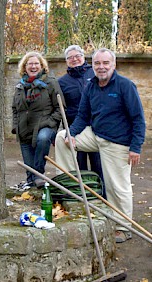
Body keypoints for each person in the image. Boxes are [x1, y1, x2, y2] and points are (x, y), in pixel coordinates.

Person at [55, 48, 146, 243]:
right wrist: (72, 134)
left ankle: (123, 227)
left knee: (117, 187)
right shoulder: (91, 86)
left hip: (118, 143)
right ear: (92, 65)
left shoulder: (125, 86)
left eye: (106, 63)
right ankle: (72, 188)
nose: (101, 67)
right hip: (95, 135)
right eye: (97, 63)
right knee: (61, 138)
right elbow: (82, 116)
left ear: (114, 65)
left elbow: (138, 119)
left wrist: (135, 147)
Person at [11, 51, 63, 190]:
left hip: (45, 125)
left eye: (36, 63)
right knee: (29, 167)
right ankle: (33, 186)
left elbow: (60, 107)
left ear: (42, 66)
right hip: (25, 127)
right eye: (30, 64)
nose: (33, 66)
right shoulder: (20, 86)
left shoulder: (50, 83)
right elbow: (15, 108)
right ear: (24, 67)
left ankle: (39, 175)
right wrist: (15, 126)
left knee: (43, 138)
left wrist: (52, 122)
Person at [58, 45, 105, 195]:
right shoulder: (62, 82)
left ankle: (102, 193)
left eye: (77, 55)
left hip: (96, 125)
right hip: (75, 127)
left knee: (98, 162)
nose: (74, 59)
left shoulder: (95, 74)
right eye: (70, 57)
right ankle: (83, 193)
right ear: (66, 61)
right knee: (79, 163)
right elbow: (60, 107)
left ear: (84, 57)